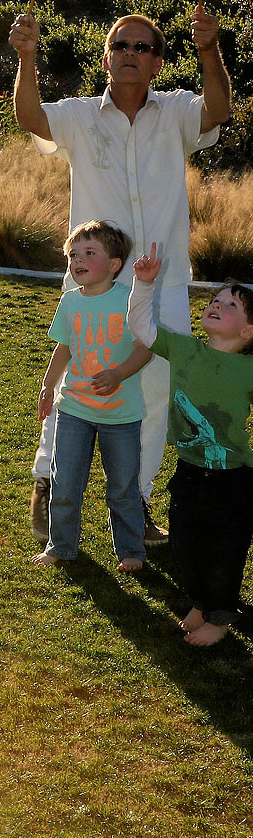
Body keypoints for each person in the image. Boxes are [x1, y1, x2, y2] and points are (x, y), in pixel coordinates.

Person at [10, 7, 231, 546]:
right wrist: (26, 57)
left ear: (157, 62)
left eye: (143, 47)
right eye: (121, 45)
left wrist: (209, 48)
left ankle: (136, 500)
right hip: (93, 280)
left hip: (165, 284)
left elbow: (220, 108)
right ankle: (49, 480)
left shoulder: (177, 111)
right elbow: (31, 119)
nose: (130, 53)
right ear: (106, 58)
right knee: (72, 382)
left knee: (156, 388)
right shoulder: (81, 114)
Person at [129, 246, 253, 647]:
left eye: (230, 305)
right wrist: (143, 285)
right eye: (215, 299)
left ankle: (218, 616)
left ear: (248, 332)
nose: (217, 305)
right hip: (188, 470)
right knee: (184, 543)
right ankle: (200, 601)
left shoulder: (249, 368)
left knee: (225, 552)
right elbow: (141, 328)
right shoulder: (185, 348)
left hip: (233, 480)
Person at [34, 220, 152, 572]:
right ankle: (61, 546)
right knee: (65, 482)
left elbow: (145, 349)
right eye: (73, 255)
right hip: (75, 409)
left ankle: (131, 551)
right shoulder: (70, 302)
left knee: (122, 489)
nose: (78, 261)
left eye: (89, 253)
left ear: (115, 264)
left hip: (122, 416)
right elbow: (64, 347)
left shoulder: (127, 301)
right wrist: (48, 384)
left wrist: (118, 374)